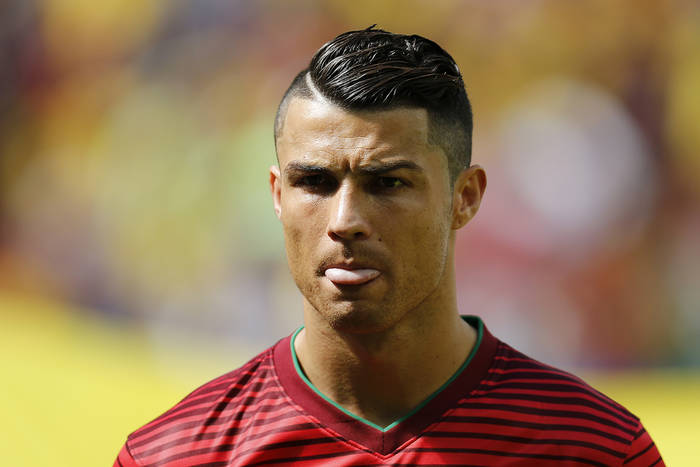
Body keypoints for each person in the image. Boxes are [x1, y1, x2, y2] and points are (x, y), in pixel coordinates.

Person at [114, 27, 664, 466]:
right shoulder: (174, 455)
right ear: (278, 196)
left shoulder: (596, 449)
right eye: (315, 182)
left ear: (465, 198)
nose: (346, 221)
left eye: (388, 183)